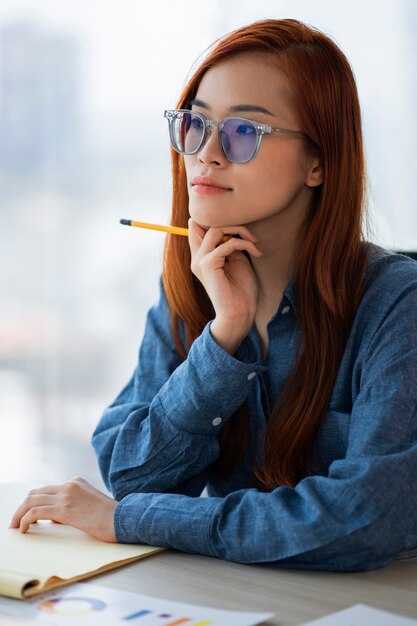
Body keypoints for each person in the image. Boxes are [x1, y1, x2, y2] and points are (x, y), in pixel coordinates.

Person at [10, 18, 417, 572]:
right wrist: (225, 336)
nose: (208, 154)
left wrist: (131, 520)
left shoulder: (397, 303)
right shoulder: (197, 285)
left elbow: (364, 517)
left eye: (244, 132)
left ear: (318, 162)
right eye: (196, 124)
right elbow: (132, 475)